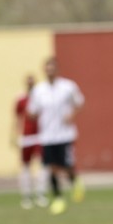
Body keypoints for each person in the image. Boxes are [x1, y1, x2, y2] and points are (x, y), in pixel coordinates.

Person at [27, 56, 85, 215]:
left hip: (65, 135)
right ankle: (58, 199)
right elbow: (32, 113)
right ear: (44, 70)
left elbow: (79, 102)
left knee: (66, 167)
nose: (50, 71)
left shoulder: (68, 87)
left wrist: (71, 115)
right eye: (47, 68)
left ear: (57, 69)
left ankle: (75, 181)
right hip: (47, 136)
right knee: (52, 168)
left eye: (52, 68)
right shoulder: (38, 91)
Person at [12, 73, 48, 209]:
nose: (30, 85)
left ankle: (41, 194)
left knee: (43, 164)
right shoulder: (21, 99)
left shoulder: (41, 98)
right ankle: (26, 196)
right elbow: (17, 119)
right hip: (26, 136)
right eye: (28, 82)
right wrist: (15, 136)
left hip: (40, 135)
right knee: (25, 166)